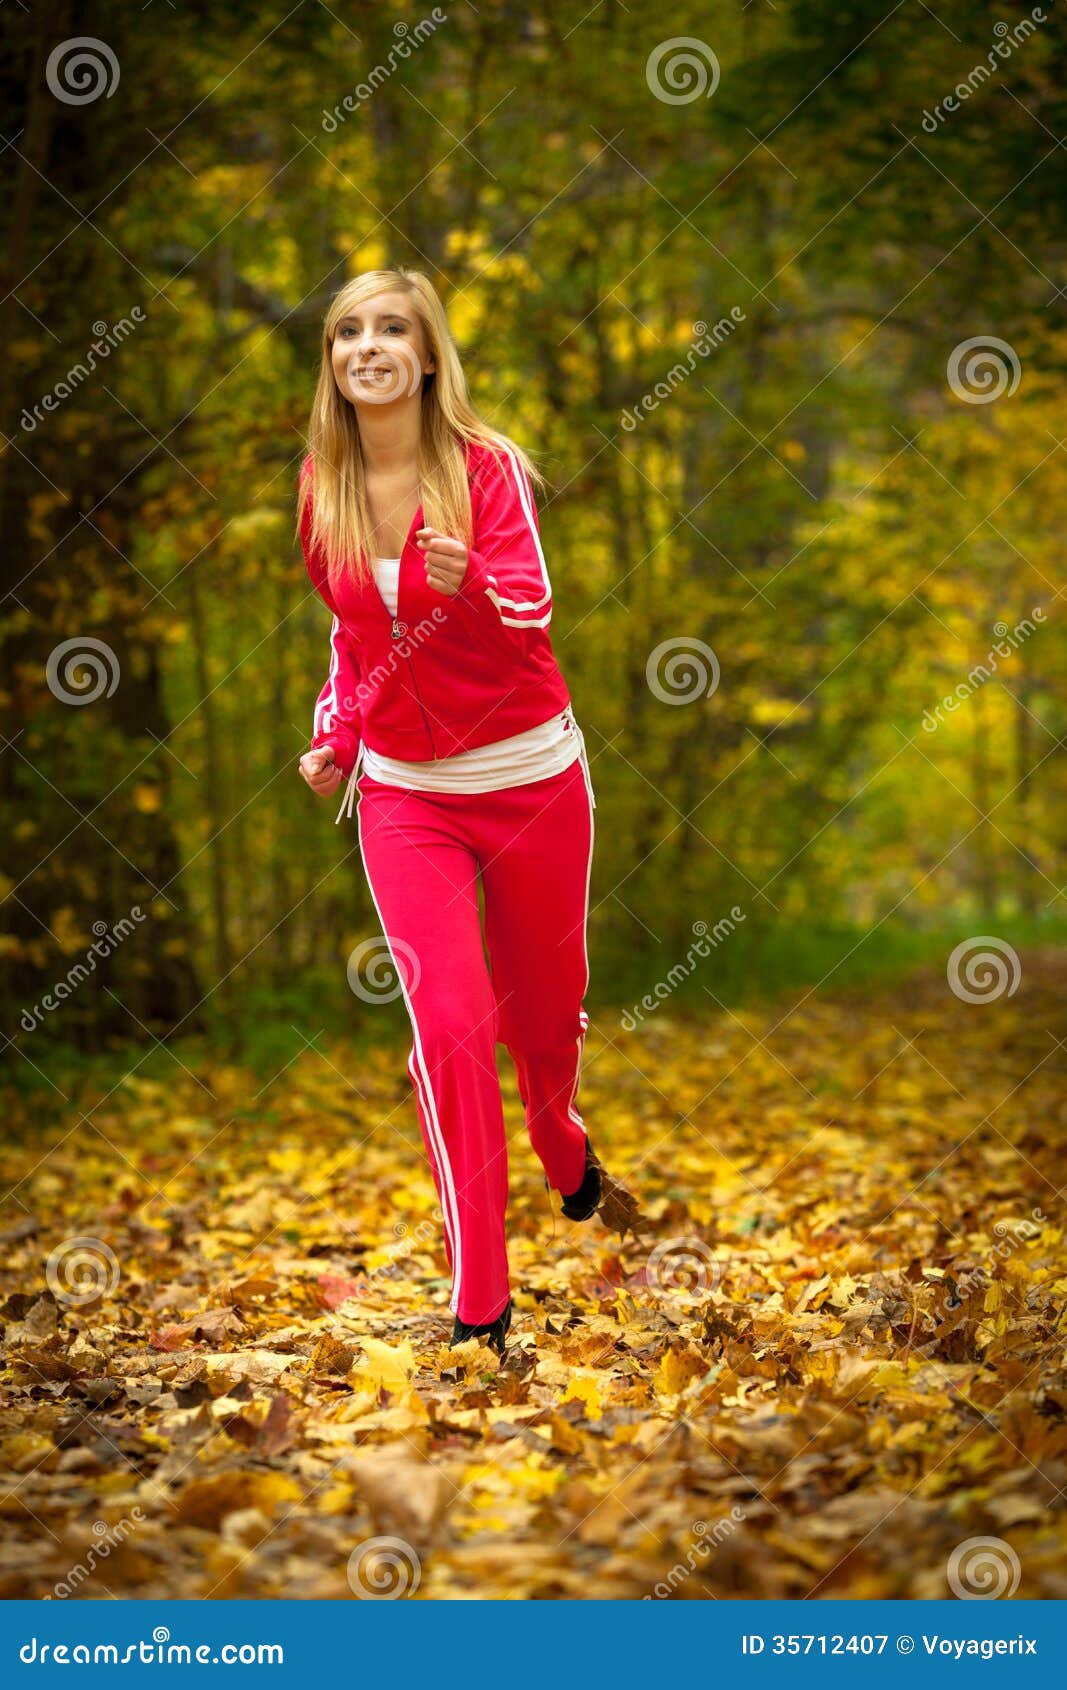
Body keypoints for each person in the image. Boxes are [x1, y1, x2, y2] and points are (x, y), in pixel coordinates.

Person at [296, 267, 613, 1359]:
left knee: (540, 1022)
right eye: (348, 331)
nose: (367, 346)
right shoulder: (321, 485)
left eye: (392, 329)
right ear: (333, 361)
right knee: (450, 1028)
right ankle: (481, 1291)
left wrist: (465, 573)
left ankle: (558, 1137)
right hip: (405, 795)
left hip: (529, 780)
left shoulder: (486, 469)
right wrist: (336, 735)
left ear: (428, 358)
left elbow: (532, 612)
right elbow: (353, 639)